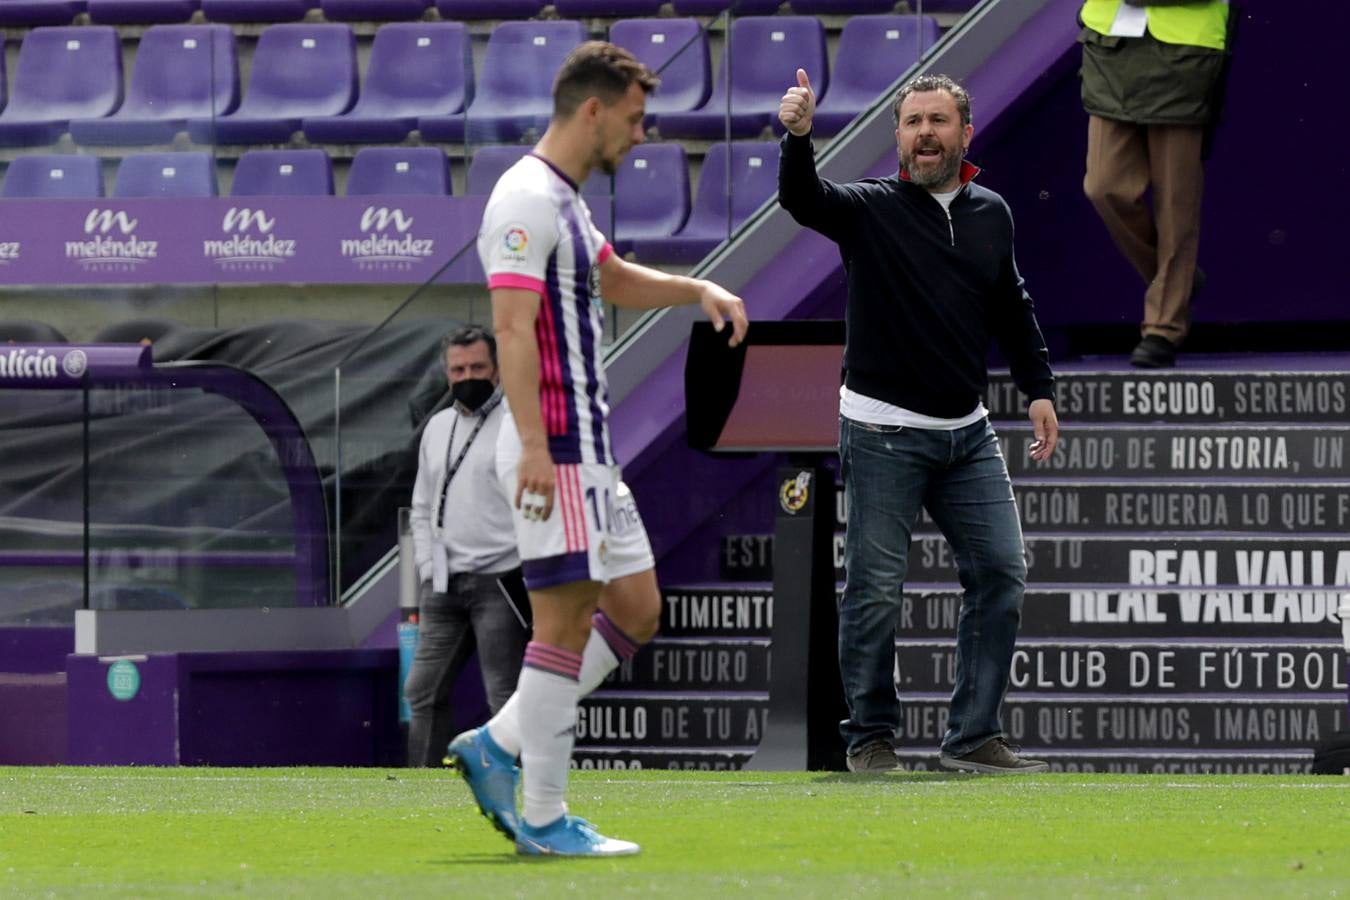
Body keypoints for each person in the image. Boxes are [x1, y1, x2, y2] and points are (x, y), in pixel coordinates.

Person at [446, 41, 748, 857]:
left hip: (588, 449)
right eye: (635, 118)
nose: (641, 135)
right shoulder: (524, 199)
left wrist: (696, 289)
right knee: (566, 621)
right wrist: (540, 451)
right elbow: (509, 328)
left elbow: (610, 277)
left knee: (636, 608)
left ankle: (499, 740)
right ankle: (543, 816)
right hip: (559, 446)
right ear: (593, 109)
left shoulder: (564, 201)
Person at [778, 71, 1059, 774]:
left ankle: (973, 738)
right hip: (880, 432)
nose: (924, 134)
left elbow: (1012, 305)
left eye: (938, 121)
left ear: (966, 132)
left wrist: (1039, 388)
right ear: (897, 136)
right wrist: (798, 137)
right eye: (911, 122)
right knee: (874, 592)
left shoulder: (992, 211)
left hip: (968, 433)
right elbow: (803, 197)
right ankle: (870, 739)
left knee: (1001, 573)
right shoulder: (869, 207)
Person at [404, 326, 531, 768]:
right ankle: (424, 795)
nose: (467, 376)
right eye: (458, 369)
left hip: (499, 581)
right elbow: (421, 505)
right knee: (421, 691)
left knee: (504, 696)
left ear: (497, 369)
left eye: (478, 367)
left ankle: (523, 795)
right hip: (442, 583)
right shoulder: (438, 427)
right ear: (447, 371)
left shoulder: (517, 424)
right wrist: (425, 568)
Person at [1079, 0, 1231, 368]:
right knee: (1103, 186)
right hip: (1111, 44)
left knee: (1175, 202)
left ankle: (1164, 326)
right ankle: (1176, 283)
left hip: (1186, 48)